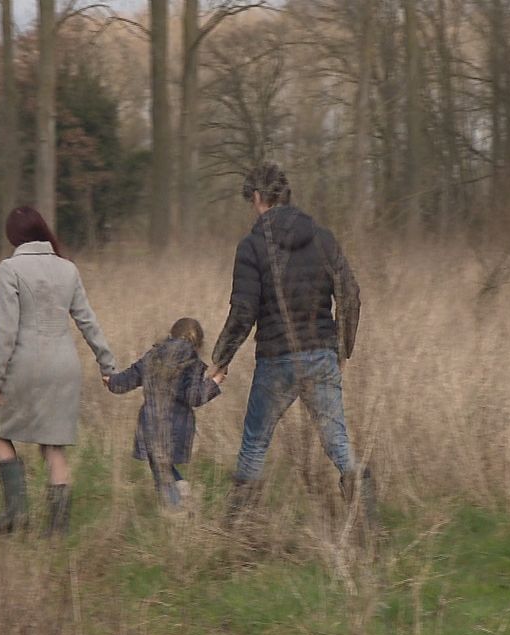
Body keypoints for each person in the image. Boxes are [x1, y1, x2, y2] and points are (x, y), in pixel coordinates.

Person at [210, 161, 374, 529]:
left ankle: (234, 531)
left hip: (276, 360)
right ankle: (368, 526)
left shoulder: (252, 246)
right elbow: (350, 297)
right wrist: (342, 348)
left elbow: (244, 311)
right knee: (338, 442)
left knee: (254, 442)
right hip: (321, 354)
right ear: (286, 195)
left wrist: (220, 359)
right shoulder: (323, 238)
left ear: (256, 197)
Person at [0, 206, 117, 537]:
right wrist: (107, 364)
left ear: (14, 236)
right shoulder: (67, 269)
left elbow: (6, 331)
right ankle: (57, 531)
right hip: (64, 367)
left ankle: (16, 514)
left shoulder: (10, 268)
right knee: (52, 446)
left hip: (26, 366)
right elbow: (88, 320)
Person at [105, 318, 226, 508]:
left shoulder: (152, 356)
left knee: (160, 470)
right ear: (198, 343)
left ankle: (176, 509)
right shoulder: (193, 362)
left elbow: (124, 382)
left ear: (171, 334)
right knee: (164, 466)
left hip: (151, 424)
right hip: (179, 428)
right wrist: (215, 382)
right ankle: (181, 488)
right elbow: (194, 397)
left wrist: (111, 381)